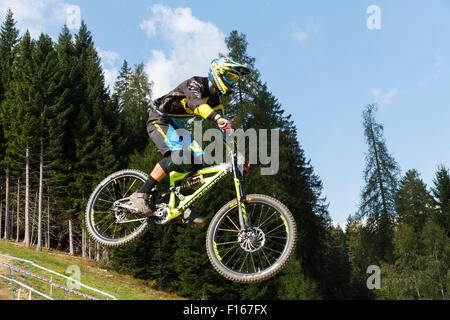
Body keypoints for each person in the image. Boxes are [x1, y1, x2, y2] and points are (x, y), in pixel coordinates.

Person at [129, 56, 251, 227]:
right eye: (230, 77)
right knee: (177, 155)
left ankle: (185, 204)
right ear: (218, 73)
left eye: (234, 79)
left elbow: (225, 131)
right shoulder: (195, 84)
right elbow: (196, 104)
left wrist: (238, 153)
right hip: (160, 119)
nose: (232, 82)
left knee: (203, 161)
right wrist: (216, 117)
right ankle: (141, 194)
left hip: (177, 126)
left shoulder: (216, 102)